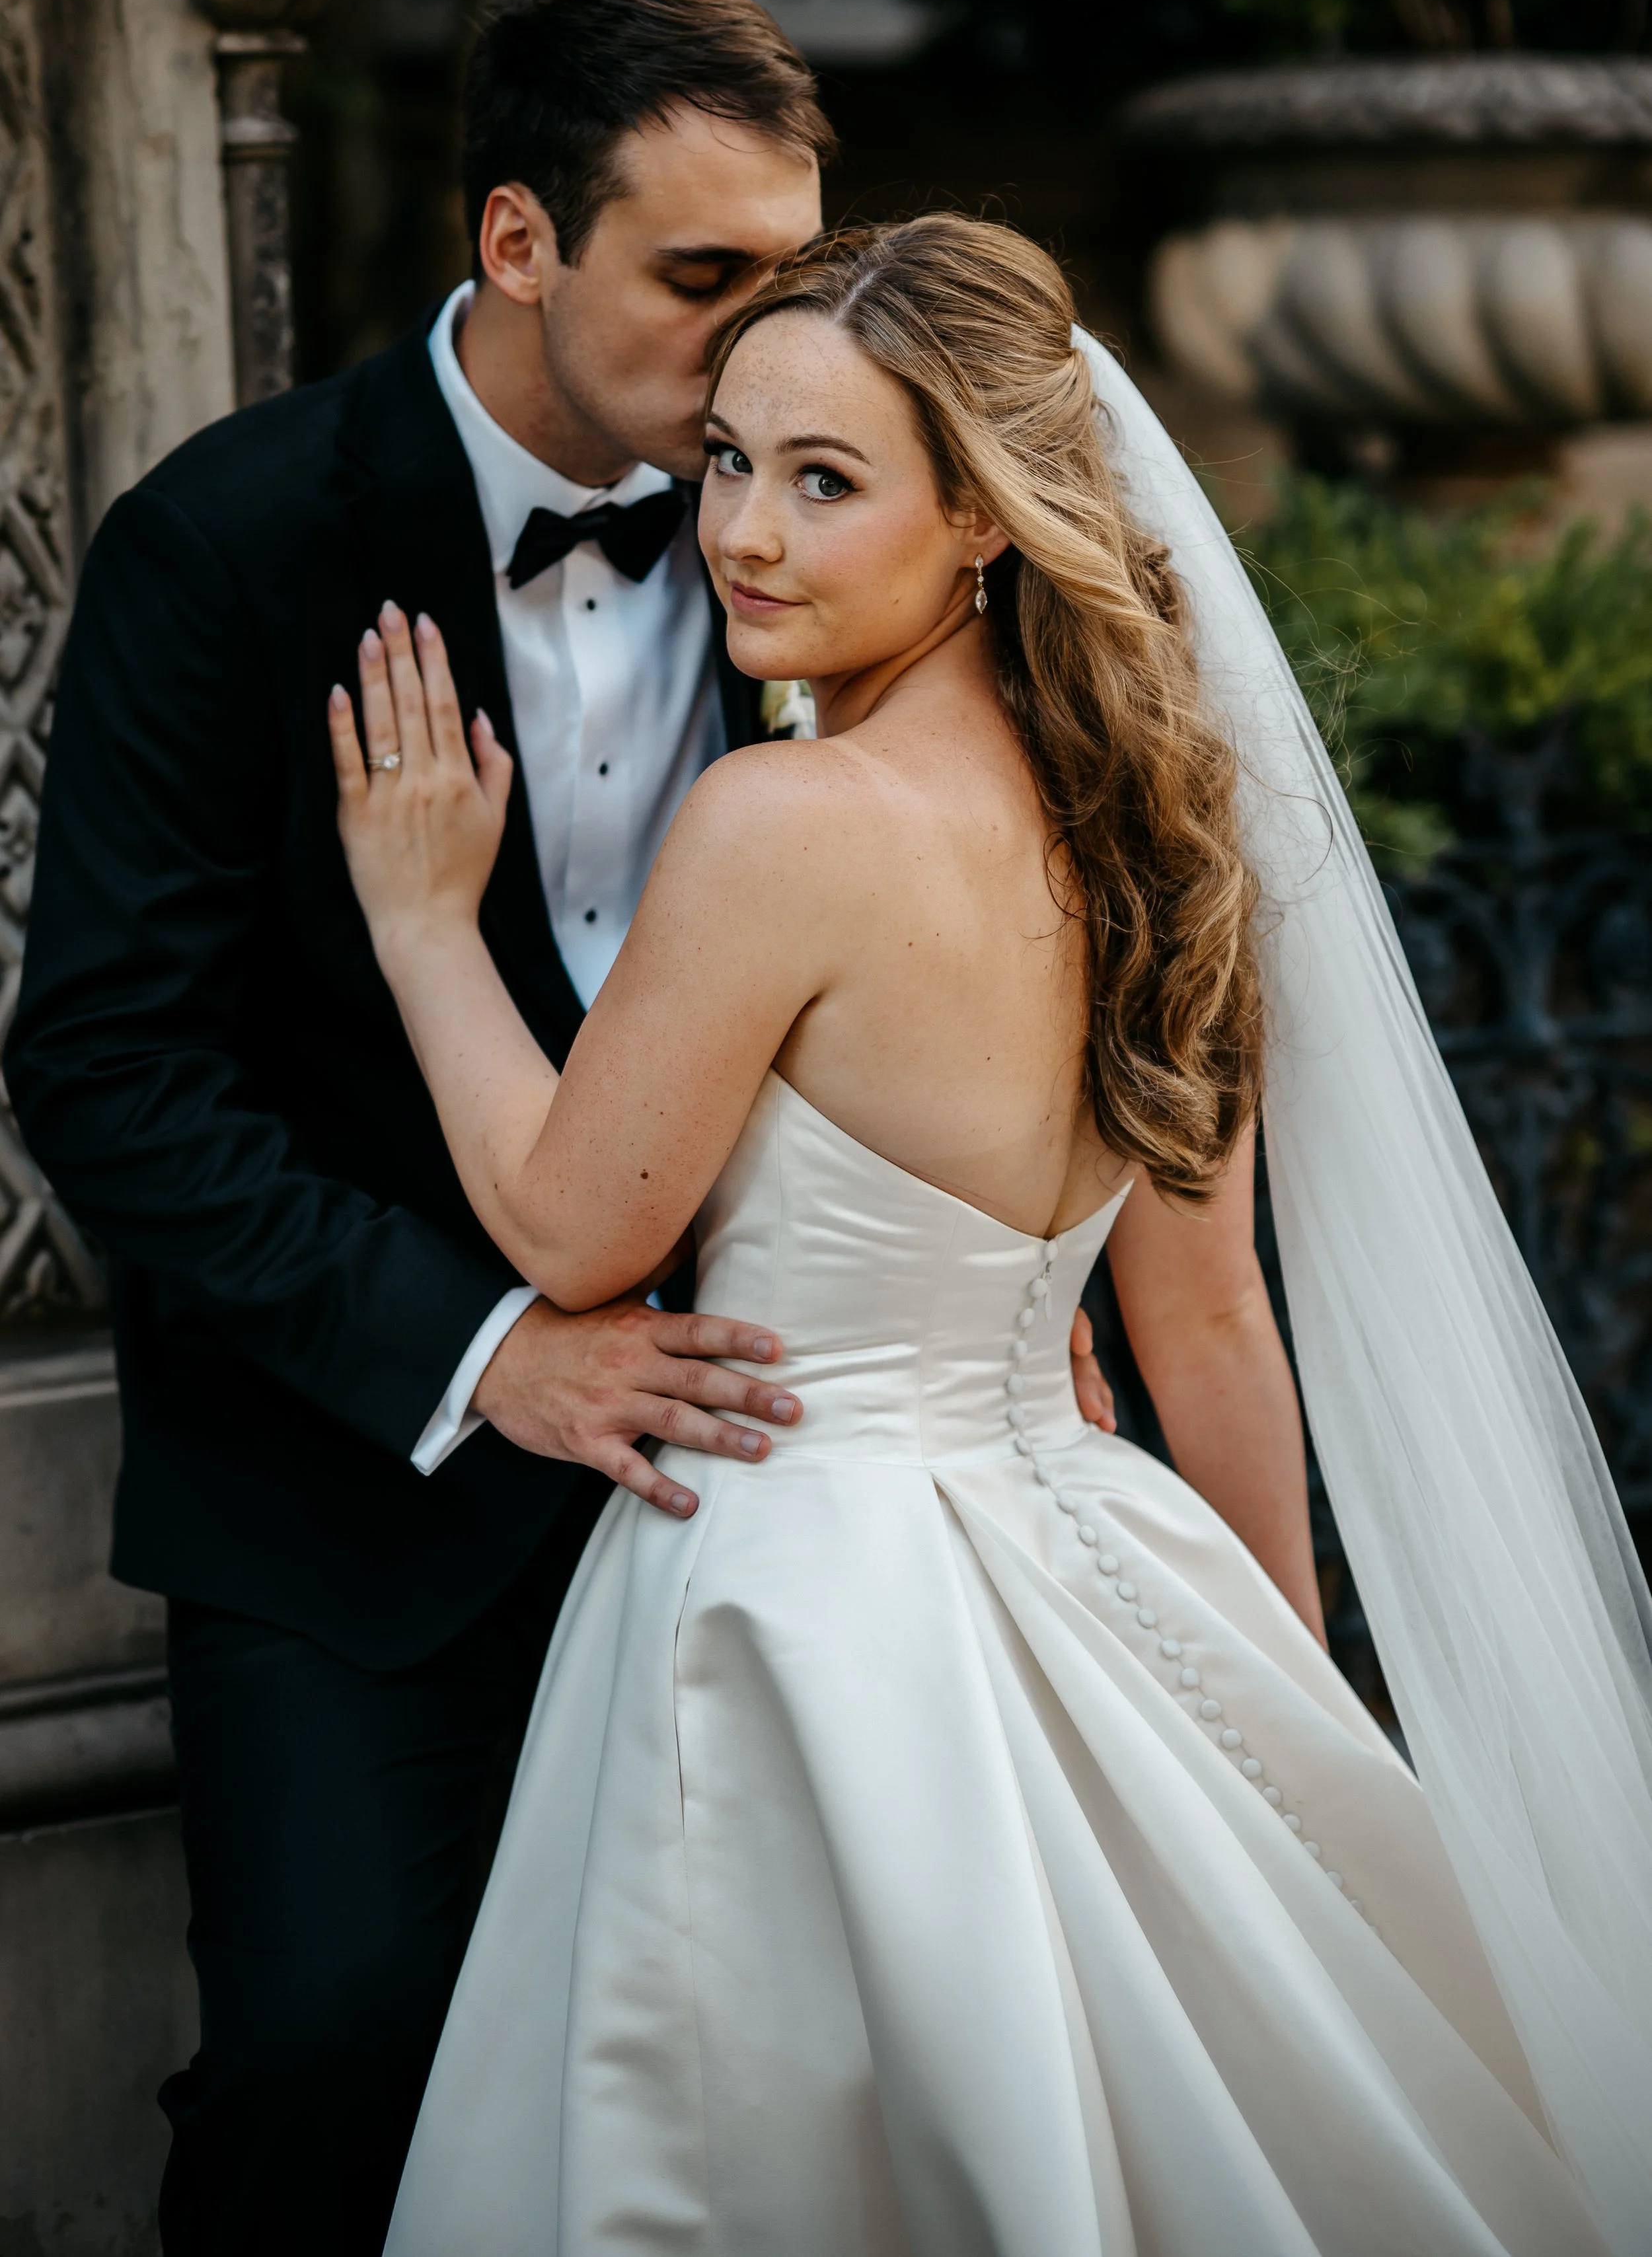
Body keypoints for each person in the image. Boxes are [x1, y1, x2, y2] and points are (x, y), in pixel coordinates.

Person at [327, 215, 1649, 2254]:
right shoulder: (1157, 829)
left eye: (825, 479)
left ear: (983, 524)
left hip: (798, 1595)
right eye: (731, 464)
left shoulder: (784, 826)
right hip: (1092, 1555)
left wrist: (425, 925)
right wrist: (1272, 1711)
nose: (744, 533)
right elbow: (1208, 1330)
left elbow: (567, 1230)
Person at [6, 0, 854, 2251]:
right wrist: (492, 1354)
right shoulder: (231, 543)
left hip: (745, 1470)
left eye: (793, 278)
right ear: (515, 242)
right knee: (328, 2058)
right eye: (701, 281)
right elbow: (105, 1065)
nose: (766, 346)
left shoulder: (840, 535)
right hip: (340, 1493)